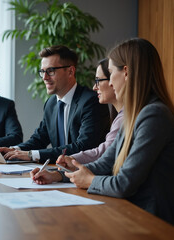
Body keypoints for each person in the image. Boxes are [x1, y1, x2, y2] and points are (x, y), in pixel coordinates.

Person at [31, 38, 174, 224]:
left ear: (126, 73)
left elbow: (123, 183)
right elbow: (106, 163)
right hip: (129, 211)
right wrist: (58, 175)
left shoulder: (154, 115)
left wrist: (89, 181)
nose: (110, 83)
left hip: (149, 220)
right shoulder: (134, 113)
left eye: (111, 72)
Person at [0, 45, 110, 163]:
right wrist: (14, 149)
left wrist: (32, 155)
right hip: (58, 172)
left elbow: (83, 147)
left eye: (51, 71)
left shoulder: (91, 102)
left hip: (86, 173)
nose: (45, 77)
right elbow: (39, 139)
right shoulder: (51, 103)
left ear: (70, 71)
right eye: (42, 72)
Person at [56, 58, 124, 165]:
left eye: (98, 81)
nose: (94, 87)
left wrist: (70, 162)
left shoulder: (125, 118)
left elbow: (102, 154)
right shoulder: (119, 116)